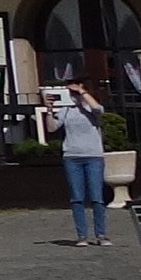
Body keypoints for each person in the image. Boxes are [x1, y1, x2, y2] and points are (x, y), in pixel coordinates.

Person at [54, 83, 111, 245]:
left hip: (93, 156)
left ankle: (101, 234)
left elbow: (98, 109)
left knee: (97, 197)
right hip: (72, 157)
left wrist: (82, 91)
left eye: (76, 93)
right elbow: (52, 127)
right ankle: (82, 236)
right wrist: (50, 110)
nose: (74, 96)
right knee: (77, 198)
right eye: (72, 93)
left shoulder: (93, 110)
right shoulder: (66, 111)